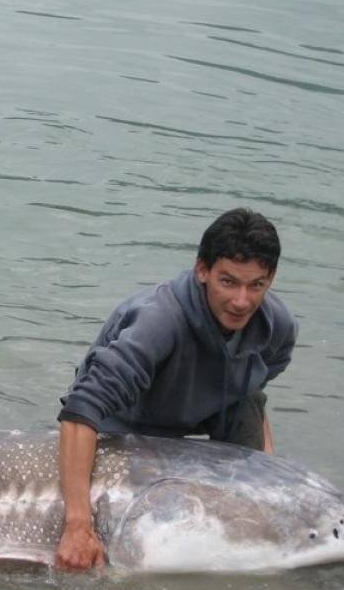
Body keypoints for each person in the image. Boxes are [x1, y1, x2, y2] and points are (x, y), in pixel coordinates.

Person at [55, 208, 297, 570]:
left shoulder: (277, 326)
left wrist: (268, 472)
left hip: (209, 406)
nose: (242, 301)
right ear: (202, 270)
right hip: (128, 418)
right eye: (228, 282)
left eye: (256, 285)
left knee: (261, 486)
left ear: (271, 279)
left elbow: (257, 389)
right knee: (102, 534)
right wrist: (77, 524)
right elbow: (80, 410)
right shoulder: (159, 320)